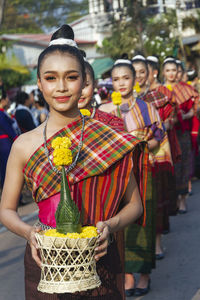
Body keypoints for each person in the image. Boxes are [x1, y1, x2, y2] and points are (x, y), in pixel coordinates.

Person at [0, 24, 147, 300]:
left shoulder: (107, 138)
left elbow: (135, 205)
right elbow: (6, 210)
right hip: (44, 263)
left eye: (71, 77)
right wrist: (29, 232)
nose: (62, 87)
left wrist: (110, 226)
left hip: (101, 258)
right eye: (51, 78)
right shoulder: (24, 144)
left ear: (84, 81)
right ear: (40, 83)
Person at [100, 57, 165, 297]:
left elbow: (160, 136)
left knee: (144, 222)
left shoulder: (147, 107)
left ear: (135, 80)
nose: (121, 83)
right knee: (120, 226)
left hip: (144, 170)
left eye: (126, 78)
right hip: (117, 176)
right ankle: (127, 276)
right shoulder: (106, 110)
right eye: (116, 79)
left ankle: (144, 275)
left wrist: (142, 145)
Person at [163, 57, 199, 213]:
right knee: (171, 167)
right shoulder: (160, 91)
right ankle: (173, 200)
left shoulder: (186, 88)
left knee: (184, 164)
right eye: (168, 70)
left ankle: (182, 200)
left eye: (174, 70)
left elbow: (195, 107)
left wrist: (185, 115)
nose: (171, 74)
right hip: (166, 134)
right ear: (163, 72)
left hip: (182, 132)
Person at [0, 86, 18, 188]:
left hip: (3, 144)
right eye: (7, 98)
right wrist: (16, 139)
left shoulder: (3, 113)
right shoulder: (1, 114)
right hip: (5, 144)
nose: (8, 100)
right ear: (3, 99)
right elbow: (8, 129)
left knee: (5, 170)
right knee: (11, 170)